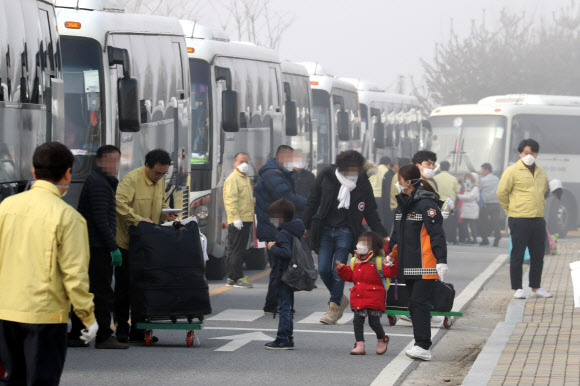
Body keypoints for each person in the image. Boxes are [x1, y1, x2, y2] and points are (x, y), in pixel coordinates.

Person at [0, 142, 97, 385]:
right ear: (67, 173)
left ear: (34, 172)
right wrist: (88, 316)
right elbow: (75, 275)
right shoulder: (68, 218)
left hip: (5, 312)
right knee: (42, 380)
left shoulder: (6, 207)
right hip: (44, 316)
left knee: (13, 379)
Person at [302, 150, 388, 325]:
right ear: (340, 166)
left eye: (355, 168)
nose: (352, 172)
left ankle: (333, 308)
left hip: (347, 231)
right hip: (325, 229)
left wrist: (382, 233)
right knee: (324, 269)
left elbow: (370, 210)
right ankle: (340, 299)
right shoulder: (326, 175)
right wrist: (304, 224)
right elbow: (313, 200)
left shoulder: (363, 182)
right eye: (349, 168)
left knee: (337, 270)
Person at [114, 149, 179, 343]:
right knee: (124, 289)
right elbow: (118, 204)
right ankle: (121, 329)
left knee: (143, 288)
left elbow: (158, 209)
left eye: (163, 174)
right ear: (147, 166)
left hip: (148, 244)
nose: (160, 177)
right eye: (157, 173)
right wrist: (138, 219)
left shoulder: (160, 183)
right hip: (127, 242)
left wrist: (166, 215)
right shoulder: (131, 180)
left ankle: (139, 329)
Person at [69, 145, 128, 349]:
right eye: (109, 160)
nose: (113, 165)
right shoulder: (99, 184)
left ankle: (79, 334)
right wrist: (113, 247)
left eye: (116, 160)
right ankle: (104, 335)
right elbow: (100, 219)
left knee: (87, 290)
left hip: (92, 245)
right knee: (102, 293)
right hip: (96, 246)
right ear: (99, 162)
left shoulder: (101, 181)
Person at [389, 164, 447, 361]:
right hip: (409, 263)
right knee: (413, 305)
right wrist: (392, 255)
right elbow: (397, 235)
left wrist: (441, 261)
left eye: (399, 180)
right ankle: (420, 344)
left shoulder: (426, 205)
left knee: (418, 302)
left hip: (426, 263)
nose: (397, 183)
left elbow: (437, 234)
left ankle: (423, 346)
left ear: (407, 182)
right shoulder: (403, 205)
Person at [497, 139, 552, 299]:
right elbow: (501, 193)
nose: (529, 156)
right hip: (519, 218)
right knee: (518, 255)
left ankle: (536, 287)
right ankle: (517, 288)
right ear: (520, 153)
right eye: (526, 153)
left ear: (537, 154)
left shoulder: (541, 172)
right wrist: (510, 209)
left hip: (538, 219)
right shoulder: (512, 171)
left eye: (533, 153)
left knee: (538, 255)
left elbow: (543, 191)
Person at [255, 145, 307, 314]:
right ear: (282, 157)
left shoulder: (279, 173)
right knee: (279, 268)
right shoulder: (272, 175)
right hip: (274, 229)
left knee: (281, 267)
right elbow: (287, 199)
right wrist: (310, 204)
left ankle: (277, 304)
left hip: (277, 227)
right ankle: (274, 305)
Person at [336, 232, 397, 355]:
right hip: (358, 296)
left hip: (375, 297)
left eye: (364, 243)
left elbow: (390, 273)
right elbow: (350, 277)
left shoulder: (379, 261)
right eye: (360, 242)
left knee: (374, 322)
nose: (360, 245)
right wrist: (342, 269)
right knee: (357, 322)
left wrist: (393, 261)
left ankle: (382, 339)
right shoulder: (355, 261)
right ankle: (360, 344)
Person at [263, 199, 305, 350]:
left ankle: (283, 338)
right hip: (291, 274)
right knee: (287, 306)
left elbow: (285, 253)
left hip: (284, 275)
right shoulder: (294, 230)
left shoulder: (283, 233)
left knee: (284, 308)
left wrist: (272, 247)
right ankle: (288, 337)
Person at [223, 152, 255, 288]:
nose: (244, 164)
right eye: (241, 161)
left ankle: (231, 276)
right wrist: (235, 218)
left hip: (246, 218)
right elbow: (230, 201)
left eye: (246, 162)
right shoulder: (233, 179)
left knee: (237, 249)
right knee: (238, 250)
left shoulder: (244, 179)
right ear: (234, 163)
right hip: (238, 220)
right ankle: (237, 278)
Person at [433, 161, 460, 244]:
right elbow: (457, 191)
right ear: (449, 168)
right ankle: (447, 239)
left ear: (440, 167)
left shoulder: (435, 178)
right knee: (448, 223)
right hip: (449, 204)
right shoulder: (453, 179)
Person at [479, 163, 502, 247]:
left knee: (483, 222)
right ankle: (497, 236)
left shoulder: (483, 180)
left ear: (486, 170)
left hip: (486, 204)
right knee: (495, 222)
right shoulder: (497, 179)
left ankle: (485, 239)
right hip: (496, 203)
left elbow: (478, 190)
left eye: (482, 170)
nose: (481, 172)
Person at [457, 172, 480, 245]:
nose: (467, 180)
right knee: (464, 224)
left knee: (472, 225)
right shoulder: (466, 187)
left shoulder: (475, 187)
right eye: (466, 178)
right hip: (465, 208)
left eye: (468, 178)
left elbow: (470, 197)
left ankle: (474, 239)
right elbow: (466, 196)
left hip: (472, 208)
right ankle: (468, 238)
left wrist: (459, 196)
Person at [292, 148, 316, 218]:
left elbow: (314, 194)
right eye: (297, 158)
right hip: (291, 212)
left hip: (306, 212)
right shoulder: (287, 175)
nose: (300, 161)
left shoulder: (310, 176)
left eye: (302, 159)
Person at [369, 156, 391, 227]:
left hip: (372, 197)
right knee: (383, 217)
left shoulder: (373, 170)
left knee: (373, 216)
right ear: (388, 164)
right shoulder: (387, 171)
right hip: (382, 197)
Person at [381, 157, 399, 232]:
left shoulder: (389, 174)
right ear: (395, 165)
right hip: (388, 206)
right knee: (389, 226)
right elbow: (389, 192)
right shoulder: (390, 176)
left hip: (387, 205)